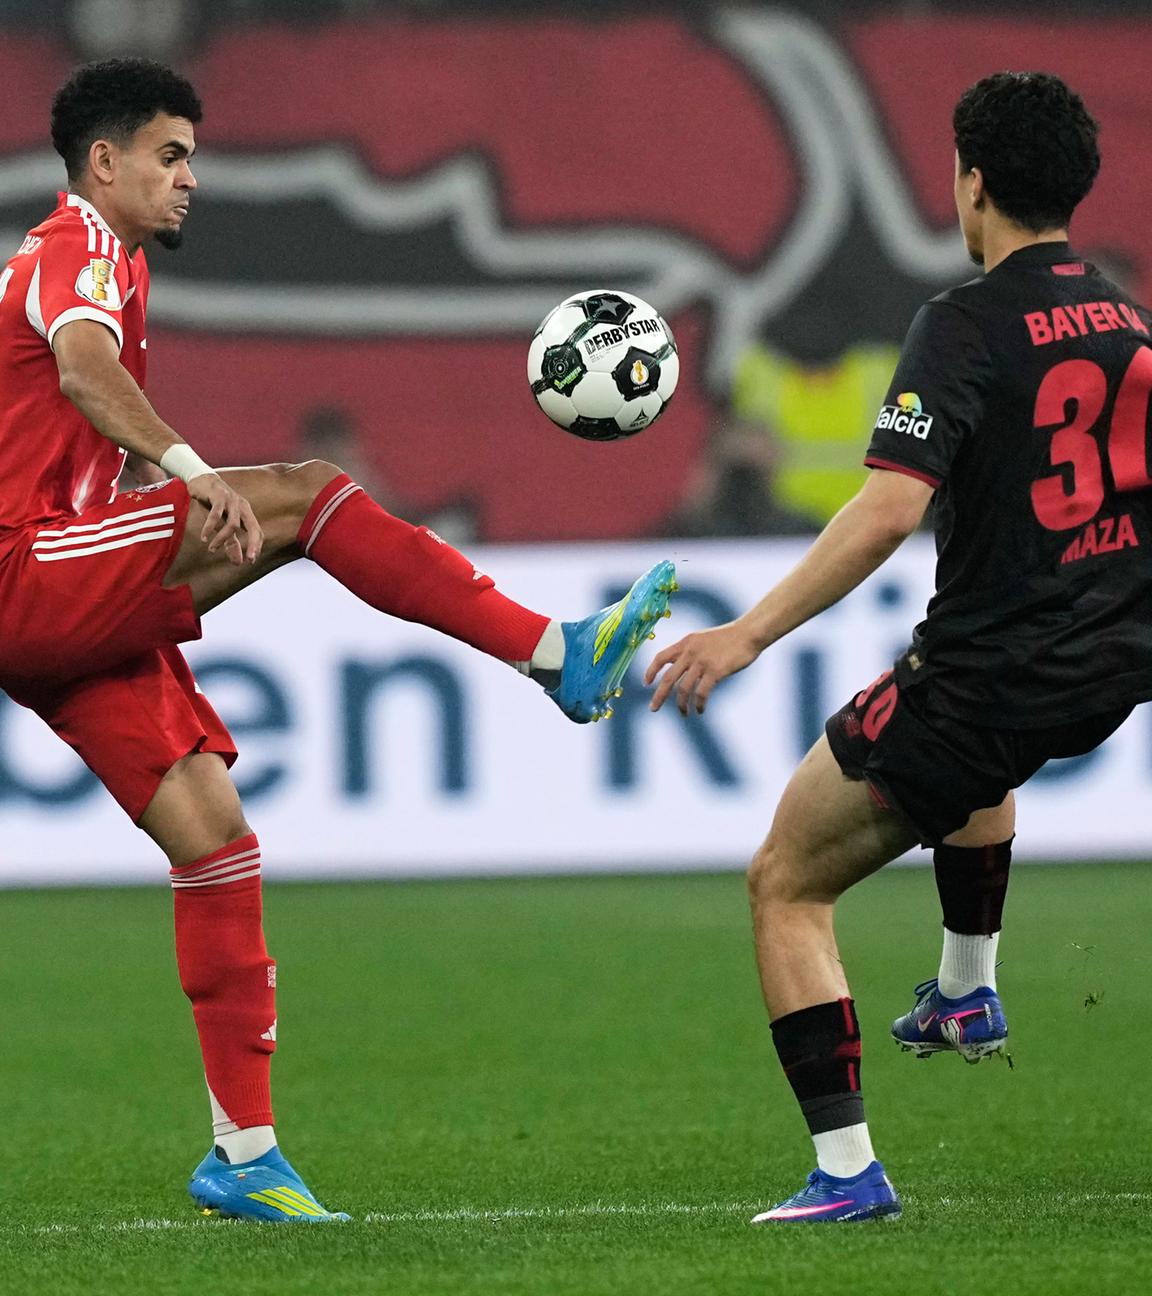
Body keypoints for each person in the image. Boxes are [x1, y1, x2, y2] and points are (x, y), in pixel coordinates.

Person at [0, 58, 677, 1224]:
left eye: (192, 157)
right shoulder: (80, 246)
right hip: (24, 568)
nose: (188, 179)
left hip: (63, 589)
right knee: (305, 496)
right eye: (169, 155)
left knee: (215, 841)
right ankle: (555, 655)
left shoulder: (104, 258)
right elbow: (82, 365)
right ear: (102, 163)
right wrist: (195, 474)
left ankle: (245, 1155)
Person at [647, 71, 1148, 1222]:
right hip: (1110, 668)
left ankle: (845, 1174)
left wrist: (746, 635)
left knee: (785, 883)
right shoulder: (1127, 320)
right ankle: (966, 992)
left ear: (971, 182)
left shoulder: (963, 323)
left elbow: (884, 510)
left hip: (992, 675)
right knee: (979, 759)